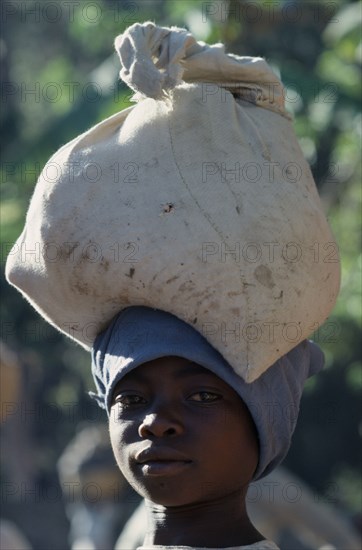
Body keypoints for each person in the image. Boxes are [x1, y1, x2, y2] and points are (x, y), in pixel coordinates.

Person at [90, 306, 324, 549]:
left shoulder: (278, 490)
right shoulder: (133, 530)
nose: (155, 423)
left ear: (266, 427)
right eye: (131, 400)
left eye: (202, 396)